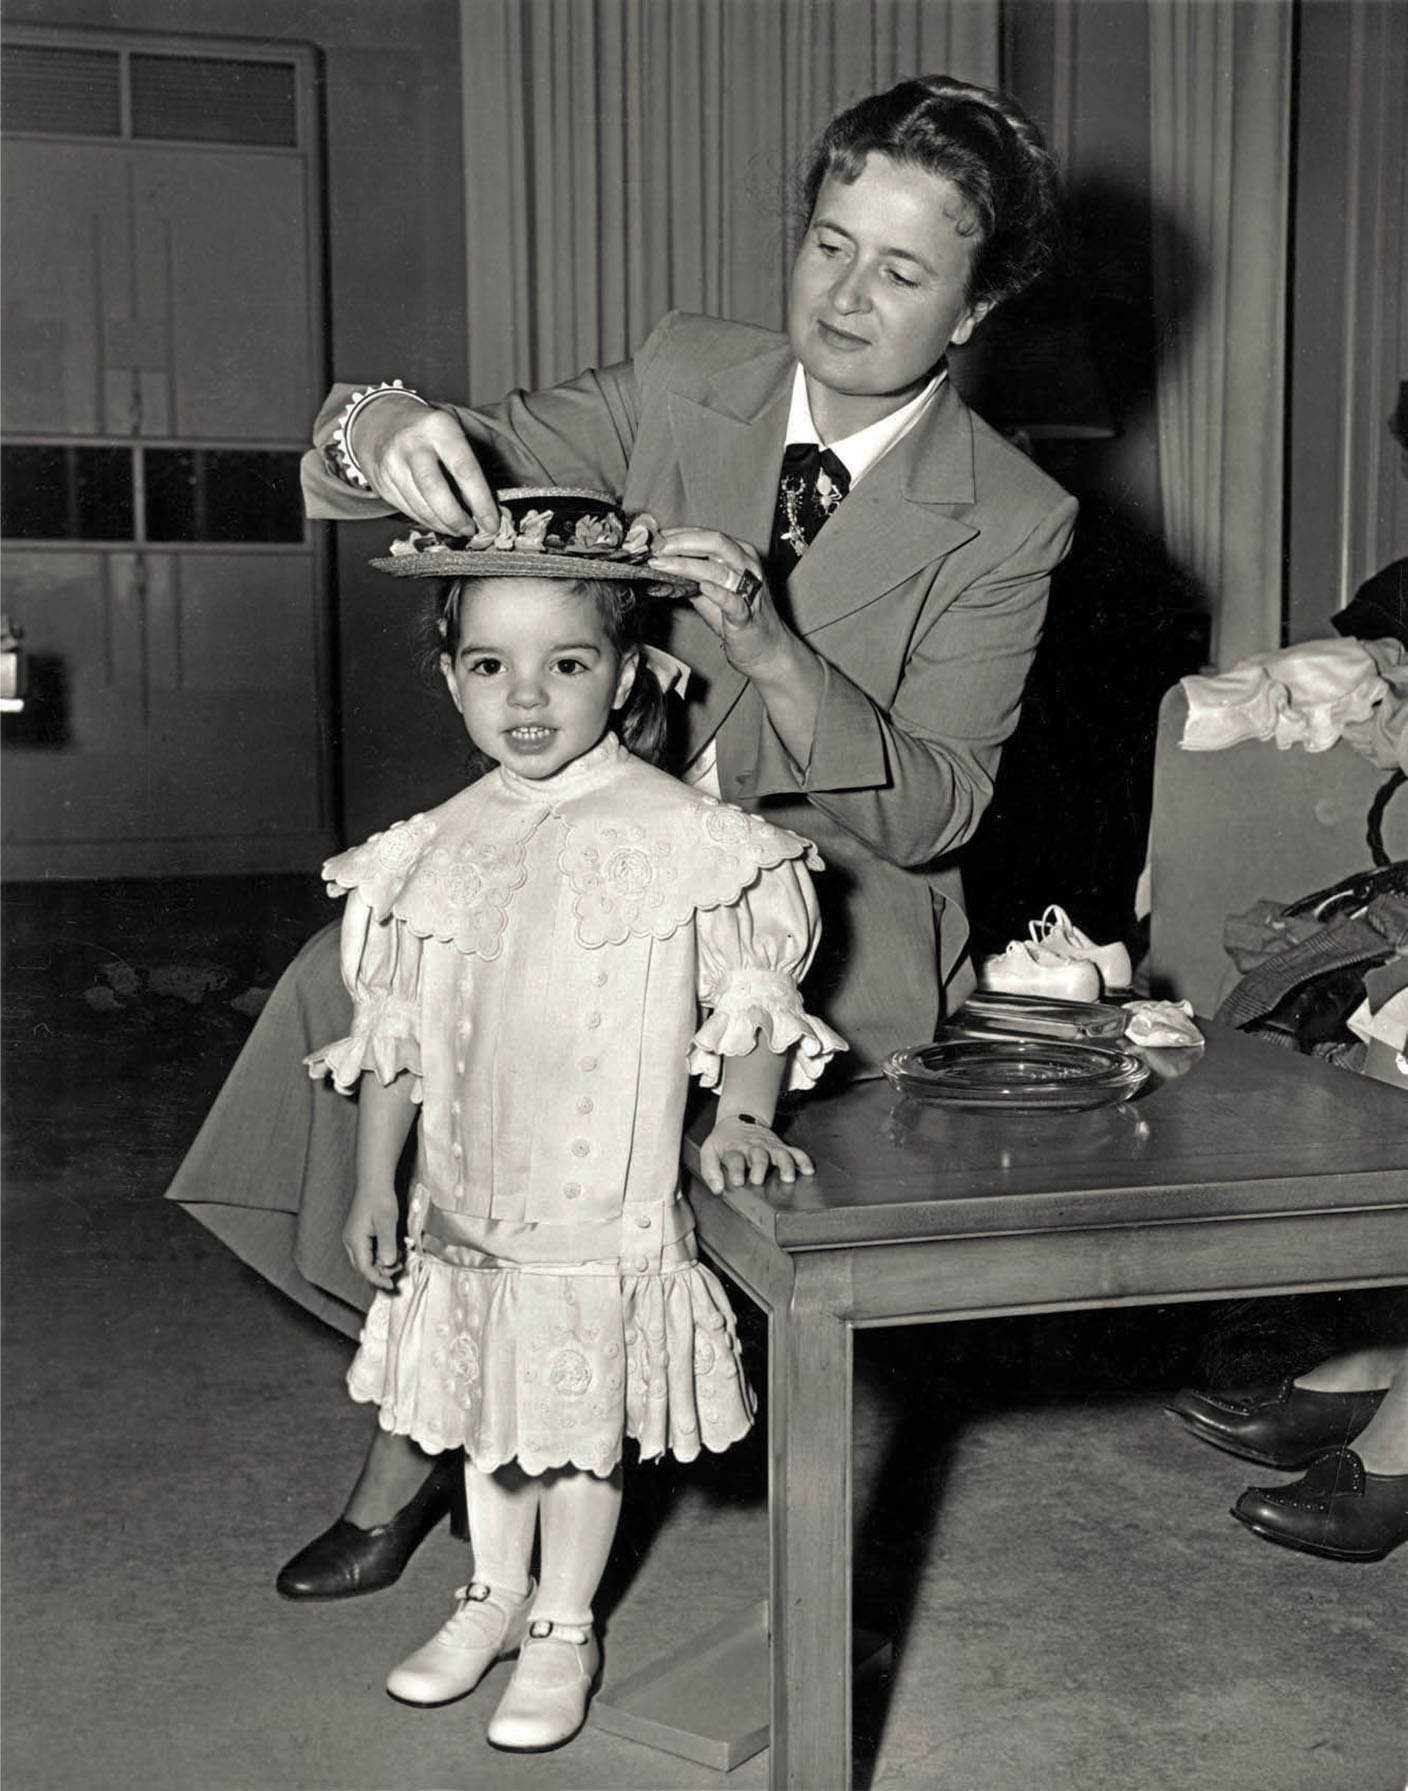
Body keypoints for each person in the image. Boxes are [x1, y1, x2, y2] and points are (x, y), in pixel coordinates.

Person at [168, 73, 1079, 1596]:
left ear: (978, 307)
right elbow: (416, 459)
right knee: (362, 981)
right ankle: (445, 1396)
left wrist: (773, 646)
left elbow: (940, 808)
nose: (846, 297)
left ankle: (428, 1468)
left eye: (904, 271)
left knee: (545, 1049)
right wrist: (377, 420)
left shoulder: (1012, 516)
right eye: (828, 244)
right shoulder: (681, 376)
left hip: (822, 912)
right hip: (584, 842)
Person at [312, 489, 840, 1746]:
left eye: (568, 662)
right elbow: (398, 1036)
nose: (528, 697)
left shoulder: (684, 838)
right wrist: (374, 1182)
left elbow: (752, 992)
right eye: (490, 665)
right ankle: (490, 1594)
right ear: (450, 681)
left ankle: (564, 1621)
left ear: (631, 672)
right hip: (464, 1187)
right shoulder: (431, 847)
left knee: (575, 1430)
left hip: (599, 1190)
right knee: (488, 1415)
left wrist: (742, 1115)